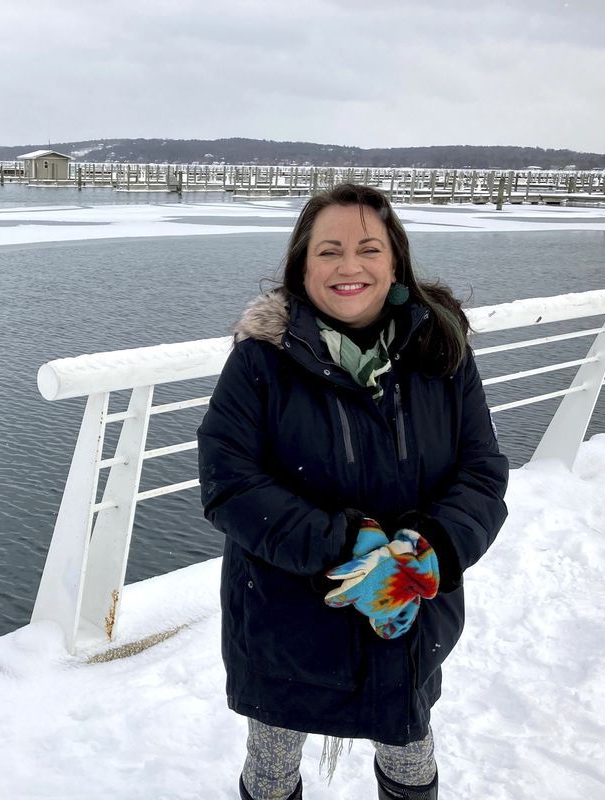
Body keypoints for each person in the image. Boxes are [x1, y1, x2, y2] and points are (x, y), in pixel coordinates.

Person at [197, 183, 508, 800]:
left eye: (368, 248)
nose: (349, 267)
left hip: (410, 610)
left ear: (395, 261)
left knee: (409, 754)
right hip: (287, 618)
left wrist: (429, 552)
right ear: (301, 265)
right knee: (273, 765)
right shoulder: (262, 362)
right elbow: (230, 481)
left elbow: (482, 472)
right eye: (328, 251)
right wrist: (347, 546)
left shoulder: (441, 352)